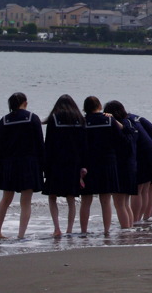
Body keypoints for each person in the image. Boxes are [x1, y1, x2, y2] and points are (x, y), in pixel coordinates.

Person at [0, 92, 44, 240]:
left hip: (8, 164)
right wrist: (43, 166)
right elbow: (40, 145)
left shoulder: (4, 120)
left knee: (6, 200)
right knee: (25, 201)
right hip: (28, 163)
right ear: (25, 103)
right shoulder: (32, 118)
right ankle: (21, 235)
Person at [79, 96, 134, 234]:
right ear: (99, 106)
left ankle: (84, 231)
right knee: (105, 200)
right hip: (107, 163)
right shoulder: (109, 120)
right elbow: (122, 141)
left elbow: (79, 145)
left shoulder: (83, 122)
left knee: (85, 201)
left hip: (88, 164)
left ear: (85, 108)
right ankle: (106, 230)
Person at [42, 94, 87, 237]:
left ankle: (57, 228)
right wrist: (83, 165)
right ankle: (69, 229)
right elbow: (83, 145)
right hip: (74, 162)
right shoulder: (80, 120)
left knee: (52, 196)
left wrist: (45, 166)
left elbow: (48, 144)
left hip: (56, 162)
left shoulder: (54, 119)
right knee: (71, 197)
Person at [103, 100, 138, 229]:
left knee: (119, 204)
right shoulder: (129, 122)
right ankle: (129, 229)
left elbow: (126, 135)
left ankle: (126, 231)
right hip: (130, 167)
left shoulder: (123, 125)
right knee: (125, 203)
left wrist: (112, 121)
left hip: (122, 168)